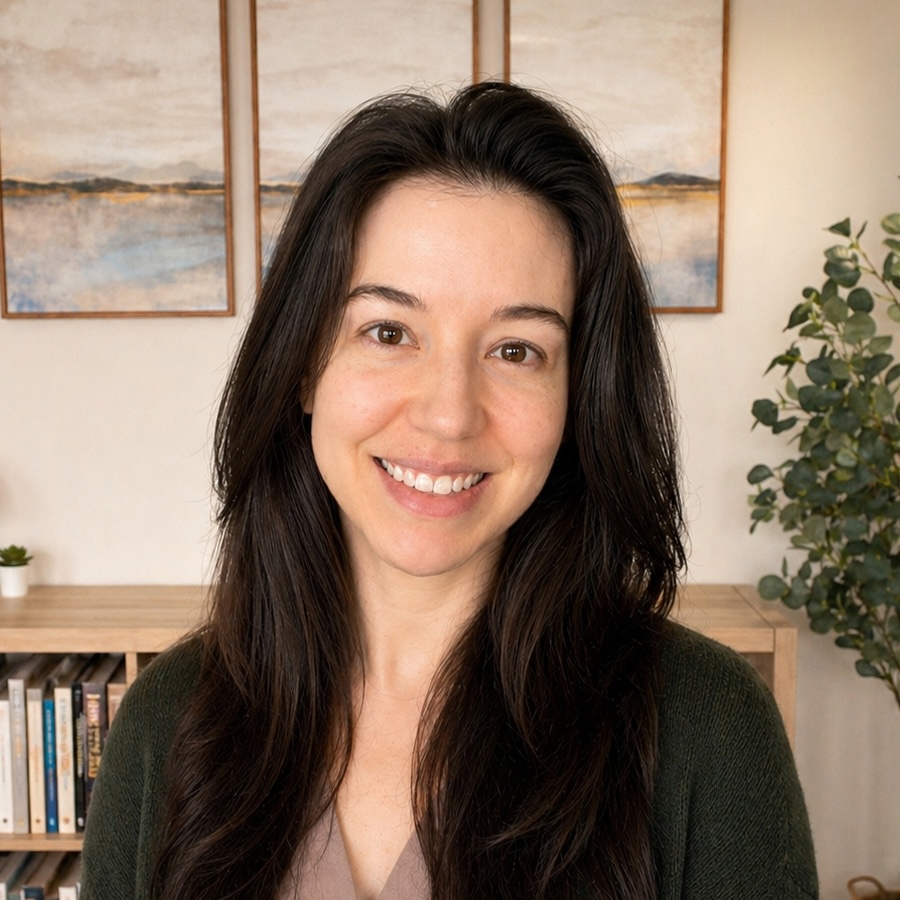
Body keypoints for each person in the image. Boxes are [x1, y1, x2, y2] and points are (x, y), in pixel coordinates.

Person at [80, 82, 817, 900]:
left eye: (517, 350)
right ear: (301, 368)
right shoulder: (163, 723)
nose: (448, 414)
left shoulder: (708, 734)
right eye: (389, 332)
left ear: (579, 399)